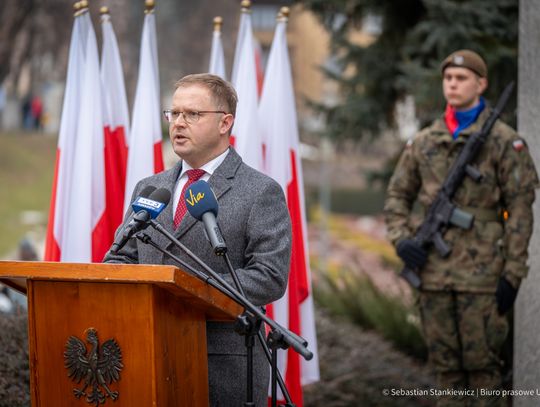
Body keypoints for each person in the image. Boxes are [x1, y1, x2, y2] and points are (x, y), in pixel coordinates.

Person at [104, 73, 292, 406]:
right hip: (145, 356)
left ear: (225, 123)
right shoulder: (150, 187)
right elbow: (121, 257)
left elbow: (269, 277)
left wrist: (188, 290)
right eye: (174, 113)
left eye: (192, 114)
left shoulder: (260, 191)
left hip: (221, 368)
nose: (178, 123)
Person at [384, 50, 539, 406]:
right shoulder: (424, 142)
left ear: (481, 84)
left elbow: (520, 211)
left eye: (461, 78)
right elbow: (397, 196)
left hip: (482, 278)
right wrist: (402, 240)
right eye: (448, 78)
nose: (452, 84)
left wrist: (513, 274)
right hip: (432, 277)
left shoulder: (504, 141)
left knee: (484, 373)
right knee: (446, 374)